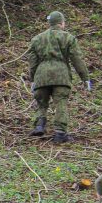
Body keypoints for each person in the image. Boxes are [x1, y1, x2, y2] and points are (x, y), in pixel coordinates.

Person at [26, 11, 91, 143]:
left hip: (41, 76)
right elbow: (77, 59)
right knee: (60, 103)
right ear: (61, 23)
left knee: (41, 102)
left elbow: (32, 62)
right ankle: (60, 134)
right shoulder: (68, 38)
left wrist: (32, 78)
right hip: (61, 77)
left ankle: (39, 125)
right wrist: (85, 78)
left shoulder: (37, 39)